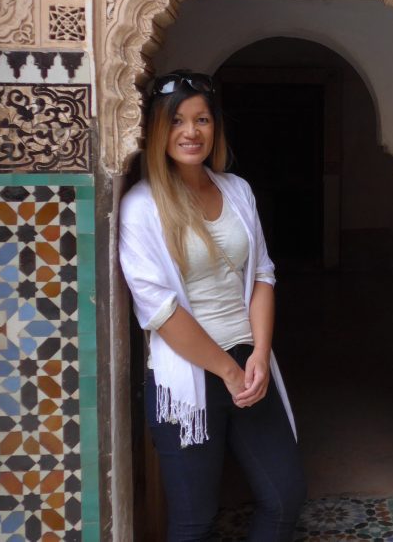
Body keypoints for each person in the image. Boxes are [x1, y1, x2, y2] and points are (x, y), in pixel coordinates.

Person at [118, 70, 306, 541]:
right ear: (157, 130)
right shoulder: (142, 206)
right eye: (177, 120)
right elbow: (158, 310)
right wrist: (226, 370)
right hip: (188, 373)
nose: (191, 131)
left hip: (249, 362)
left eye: (202, 119)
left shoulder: (237, 190)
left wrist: (259, 353)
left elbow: (262, 273)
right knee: (193, 519)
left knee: (284, 497)